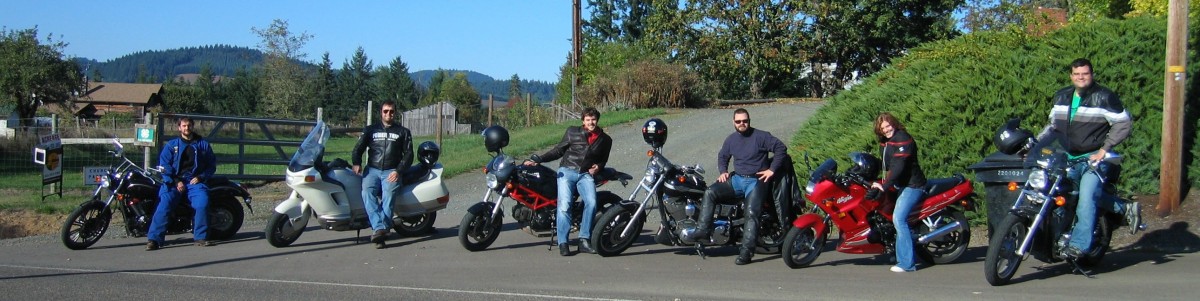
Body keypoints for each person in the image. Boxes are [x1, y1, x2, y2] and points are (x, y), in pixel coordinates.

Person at [1040, 58, 1140, 258]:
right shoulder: (1062, 96)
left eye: (1085, 74)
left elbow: (1123, 124)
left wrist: (1105, 149)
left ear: (1091, 75)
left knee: (1085, 200)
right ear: (1071, 76)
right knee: (1068, 196)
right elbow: (1053, 126)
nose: (1081, 77)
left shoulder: (1104, 96)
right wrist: (1037, 144)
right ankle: (1123, 207)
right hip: (1068, 158)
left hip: (1093, 160)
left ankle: (1078, 246)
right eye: (1077, 74)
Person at [694, 108, 787, 265]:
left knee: (751, 213)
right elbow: (723, 155)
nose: (742, 124)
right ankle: (703, 230)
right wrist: (723, 171)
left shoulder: (762, 136)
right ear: (733, 122)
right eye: (738, 121)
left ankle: (746, 252)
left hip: (756, 180)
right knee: (710, 192)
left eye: (745, 121)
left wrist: (772, 170)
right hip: (737, 179)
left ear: (749, 121)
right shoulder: (731, 139)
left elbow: (781, 149)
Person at [525, 107, 612, 256]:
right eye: (588, 119)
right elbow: (558, 150)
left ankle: (584, 240)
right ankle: (563, 242)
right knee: (565, 205)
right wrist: (539, 160)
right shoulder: (572, 132)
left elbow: (603, 160)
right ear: (583, 121)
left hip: (585, 175)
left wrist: (598, 167)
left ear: (597, 120)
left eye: (593, 119)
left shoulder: (605, 139)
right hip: (567, 171)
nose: (591, 122)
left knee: (591, 203)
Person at [146, 117, 217, 251]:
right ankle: (154, 240)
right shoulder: (171, 145)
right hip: (173, 182)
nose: (186, 128)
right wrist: (175, 181)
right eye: (184, 126)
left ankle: (200, 237)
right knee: (164, 205)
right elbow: (164, 165)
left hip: (194, 182)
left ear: (193, 126)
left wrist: (201, 177)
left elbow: (211, 165)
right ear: (179, 128)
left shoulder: (203, 145)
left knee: (202, 202)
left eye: (189, 125)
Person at [352, 100, 414, 249]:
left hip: (391, 170)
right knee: (367, 193)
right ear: (381, 112)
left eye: (391, 111)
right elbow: (358, 148)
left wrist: (398, 171)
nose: (388, 114)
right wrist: (356, 162)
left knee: (389, 194)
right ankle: (381, 228)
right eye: (386, 111)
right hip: (372, 169)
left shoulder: (403, 132)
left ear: (395, 113)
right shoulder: (370, 130)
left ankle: (379, 231)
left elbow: (409, 154)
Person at [869, 113, 927, 272]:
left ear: (894, 124)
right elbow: (884, 166)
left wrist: (885, 185)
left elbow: (898, 166)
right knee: (884, 216)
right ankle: (896, 251)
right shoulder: (885, 142)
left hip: (913, 185)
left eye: (888, 126)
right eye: (883, 128)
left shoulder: (903, 138)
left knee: (898, 219)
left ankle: (907, 264)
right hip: (898, 185)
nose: (886, 130)